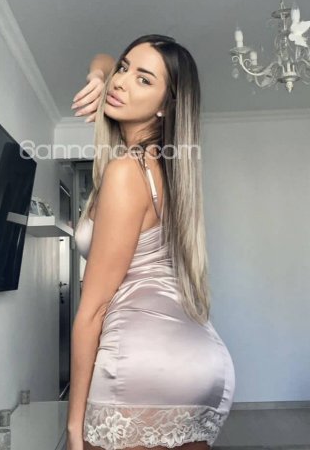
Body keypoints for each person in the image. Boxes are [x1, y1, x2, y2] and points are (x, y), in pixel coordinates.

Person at [67, 35, 236, 450]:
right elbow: (104, 58)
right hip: (201, 358)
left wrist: (74, 426)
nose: (121, 82)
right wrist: (99, 73)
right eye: (124, 69)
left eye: (144, 80)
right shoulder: (169, 170)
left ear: (165, 106)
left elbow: (93, 308)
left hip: (141, 358)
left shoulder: (126, 172)